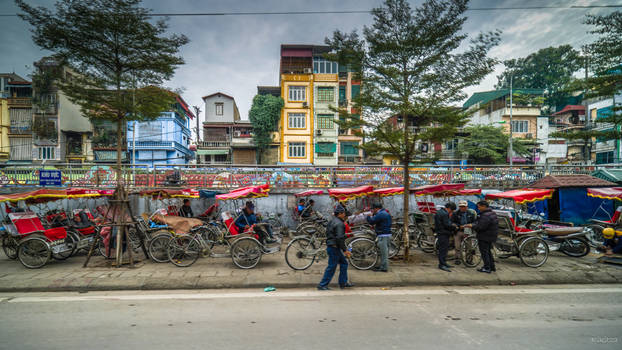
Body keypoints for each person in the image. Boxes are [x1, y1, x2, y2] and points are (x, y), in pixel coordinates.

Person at [317, 205, 353, 290]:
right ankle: (322, 285)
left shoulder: (332, 221)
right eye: (344, 213)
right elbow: (339, 238)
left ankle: (343, 282)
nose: (345, 215)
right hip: (334, 247)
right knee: (332, 267)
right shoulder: (340, 223)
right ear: (340, 214)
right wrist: (345, 250)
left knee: (344, 263)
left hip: (332, 246)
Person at [465, 200, 498, 273]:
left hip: (485, 236)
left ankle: (487, 268)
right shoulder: (492, 213)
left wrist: (472, 225)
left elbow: (480, 226)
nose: (478, 208)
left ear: (484, 206)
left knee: (484, 253)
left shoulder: (485, 215)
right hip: (491, 236)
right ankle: (492, 266)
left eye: (479, 207)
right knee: (488, 252)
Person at [366, 202, 392, 272]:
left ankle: (384, 268)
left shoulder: (380, 214)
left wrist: (368, 216)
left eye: (373, 209)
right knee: (383, 253)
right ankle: (382, 266)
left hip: (383, 235)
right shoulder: (384, 213)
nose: (372, 210)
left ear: (377, 208)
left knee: (384, 253)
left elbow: (372, 221)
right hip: (386, 234)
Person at [451, 200, 477, 265]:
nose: (462, 208)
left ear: (467, 207)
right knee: (457, 246)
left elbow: (475, 222)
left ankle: (469, 260)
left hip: (468, 232)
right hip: (458, 231)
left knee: (469, 247)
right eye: (461, 206)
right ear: (459, 207)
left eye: (464, 206)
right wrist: (459, 226)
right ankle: (457, 259)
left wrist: (471, 225)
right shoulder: (455, 213)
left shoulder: (471, 213)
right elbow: (452, 222)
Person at [435, 202, 458, 272]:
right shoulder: (445, 214)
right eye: (452, 210)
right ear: (450, 208)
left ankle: (444, 263)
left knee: (444, 249)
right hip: (443, 233)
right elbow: (446, 225)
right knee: (443, 250)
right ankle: (441, 265)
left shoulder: (439, 212)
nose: (452, 212)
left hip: (440, 232)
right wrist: (454, 227)